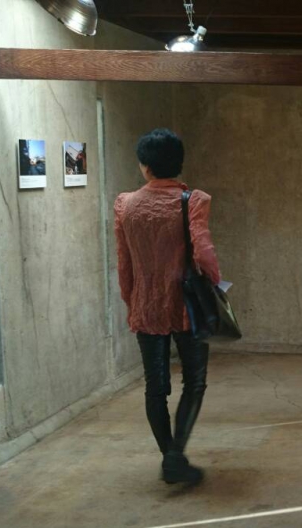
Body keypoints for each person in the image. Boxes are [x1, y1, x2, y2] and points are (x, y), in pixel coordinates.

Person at [114, 128, 221, 484]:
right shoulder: (193, 201)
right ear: (179, 164)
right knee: (195, 381)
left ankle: (168, 456)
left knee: (155, 387)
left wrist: (132, 300)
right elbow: (203, 254)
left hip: (146, 306)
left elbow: (124, 263)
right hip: (187, 307)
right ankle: (176, 455)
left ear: (145, 166)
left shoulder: (125, 205)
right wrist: (214, 284)